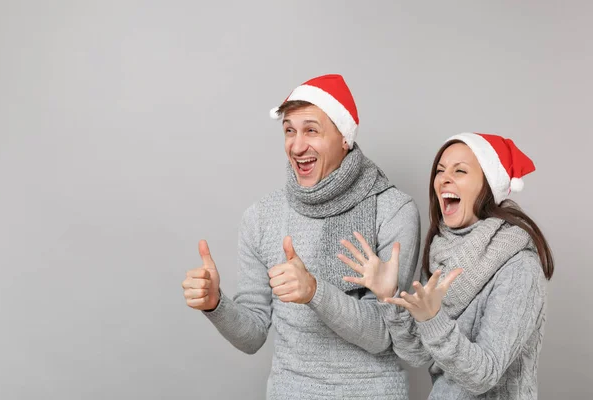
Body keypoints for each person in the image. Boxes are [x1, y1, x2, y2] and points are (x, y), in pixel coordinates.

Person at [181, 74, 421, 399]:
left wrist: (314, 291)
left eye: (311, 130)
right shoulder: (262, 216)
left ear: (344, 138)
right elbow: (252, 337)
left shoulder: (392, 210)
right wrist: (216, 305)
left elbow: (384, 335)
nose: (297, 145)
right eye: (289, 131)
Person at [341, 132, 554, 399]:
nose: (444, 179)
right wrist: (389, 297)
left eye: (460, 171)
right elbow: (418, 353)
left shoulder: (519, 268)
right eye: (440, 170)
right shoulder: (442, 252)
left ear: (488, 185)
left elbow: (483, 375)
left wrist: (432, 319)